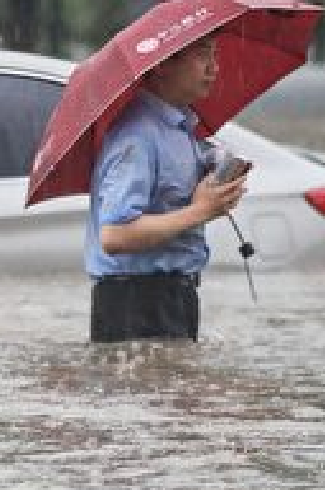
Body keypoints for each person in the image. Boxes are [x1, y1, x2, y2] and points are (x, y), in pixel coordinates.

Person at [85, 33, 249, 343]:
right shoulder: (136, 137)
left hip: (176, 294)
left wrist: (218, 177)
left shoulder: (182, 129)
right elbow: (114, 235)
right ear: (162, 65)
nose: (214, 68)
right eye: (202, 55)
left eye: (215, 55)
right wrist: (201, 211)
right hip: (134, 302)